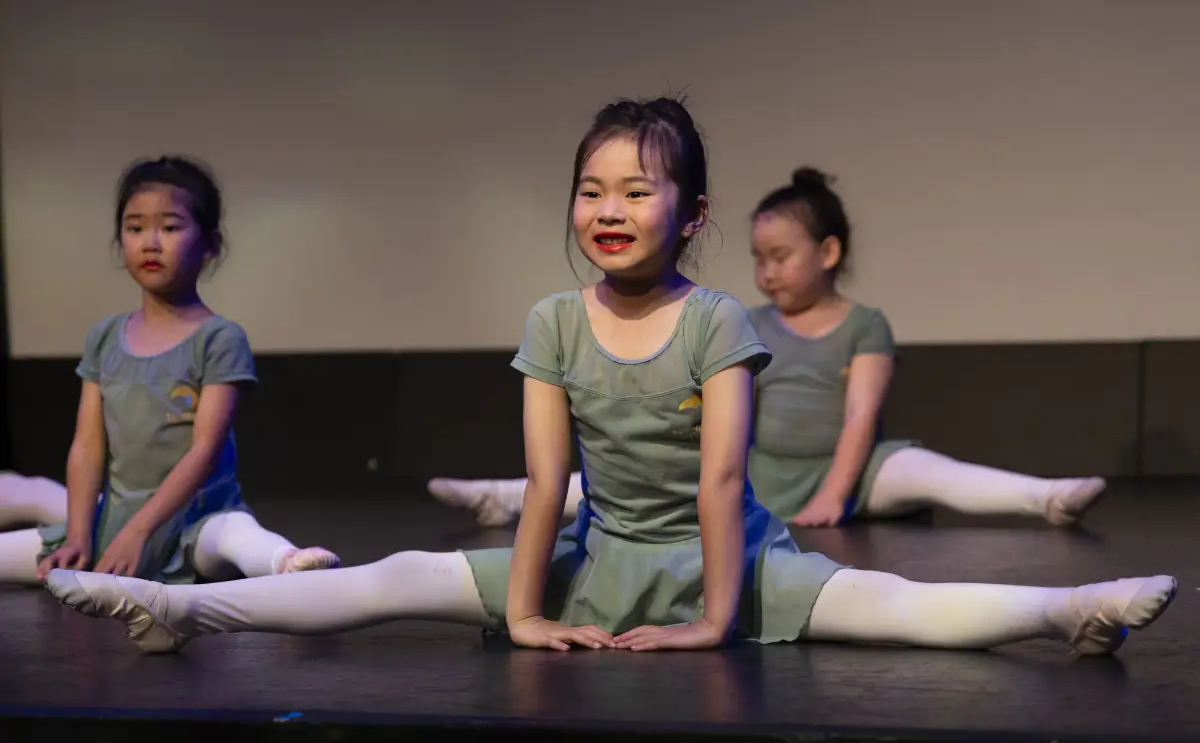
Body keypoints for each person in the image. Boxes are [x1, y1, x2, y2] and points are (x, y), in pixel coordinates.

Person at [45, 100, 1174, 657]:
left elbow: (726, 477)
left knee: (897, 610)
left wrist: (717, 618)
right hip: (602, 552)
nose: (612, 210)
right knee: (398, 576)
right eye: (594, 188)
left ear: (691, 213)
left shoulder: (721, 318)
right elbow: (549, 484)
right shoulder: (552, 318)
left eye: (640, 190)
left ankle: (1070, 607)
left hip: (721, 552)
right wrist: (529, 611)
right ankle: (177, 601)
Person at [428, 168, 1107, 529]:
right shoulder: (743, 321)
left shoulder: (864, 324)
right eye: (759, 259)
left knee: (931, 471)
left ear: (828, 253)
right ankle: (500, 497)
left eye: (781, 257)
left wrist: (836, 496)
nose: (768, 272)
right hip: (758, 470)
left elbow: (860, 418)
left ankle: (1045, 497)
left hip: (853, 469)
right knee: (627, 483)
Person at [0, 156, 339, 587]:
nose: (150, 242)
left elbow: (204, 451)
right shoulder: (104, 336)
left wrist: (141, 531)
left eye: (171, 227)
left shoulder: (219, 338)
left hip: (196, 517)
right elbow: (86, 446)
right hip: (113, 521)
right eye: (135, 227)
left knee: (232, 535)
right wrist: (82, 534)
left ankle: (286, 563)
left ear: (210, 244)